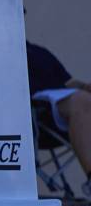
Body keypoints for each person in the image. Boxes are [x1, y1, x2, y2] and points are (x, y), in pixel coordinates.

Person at [27, 38, 91, 195]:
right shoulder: (1, 52)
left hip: (71, 114)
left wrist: (85, 87)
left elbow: (68, 83)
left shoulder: (39, 52)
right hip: (38, 119)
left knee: (83, 98)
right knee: (81, 100)